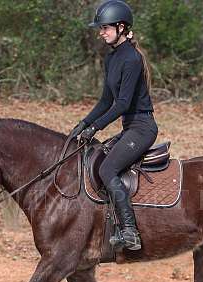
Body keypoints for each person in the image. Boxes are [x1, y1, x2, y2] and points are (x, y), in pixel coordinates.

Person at [70, 0, 158, 251]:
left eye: (105, 28)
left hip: (142, 128)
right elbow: (106, 100)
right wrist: (83, 124)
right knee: (96, 158)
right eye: (101, 28)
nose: (101, 32)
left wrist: (95, 128)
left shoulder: (131, 58)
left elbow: (121, 104)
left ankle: (130, 231)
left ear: (121, 27)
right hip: (130, 128)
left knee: (107, 170)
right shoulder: (112, 59)